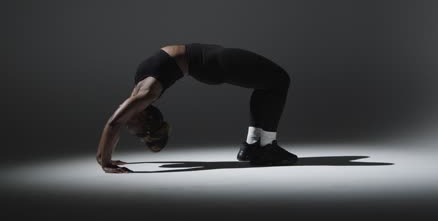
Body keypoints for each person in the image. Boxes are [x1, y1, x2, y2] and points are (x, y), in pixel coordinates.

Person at [96, 43, 298, 173]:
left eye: (133, 128)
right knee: (279, 80)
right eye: (132, 130)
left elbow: (114, 124)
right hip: (214, 64)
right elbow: (115, 124)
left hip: (212, 61)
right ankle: (266, 147)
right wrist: (105, 159)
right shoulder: (145, 94)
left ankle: (253, 146)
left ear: (145, 118)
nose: (127, 124)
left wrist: (103, 159)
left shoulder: (141, 93)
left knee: (269, 83)